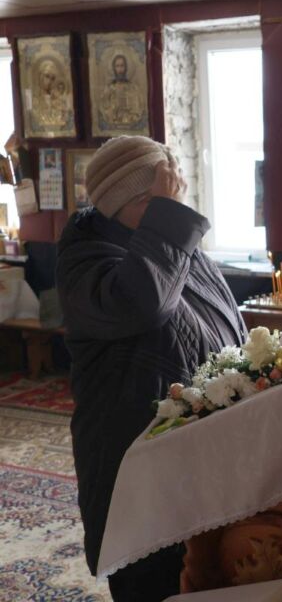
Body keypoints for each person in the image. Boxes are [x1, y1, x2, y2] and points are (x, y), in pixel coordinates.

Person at [57, 136, 247, 601]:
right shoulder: (87, 260)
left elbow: (225, 324)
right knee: (151, 580)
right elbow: (144, 303)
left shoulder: (173, 243)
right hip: (133, 464)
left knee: (201, 578)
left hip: (194, 456)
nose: (172, 203)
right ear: (122, 203)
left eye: (172, 193)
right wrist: (168, 217)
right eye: (156, 198)